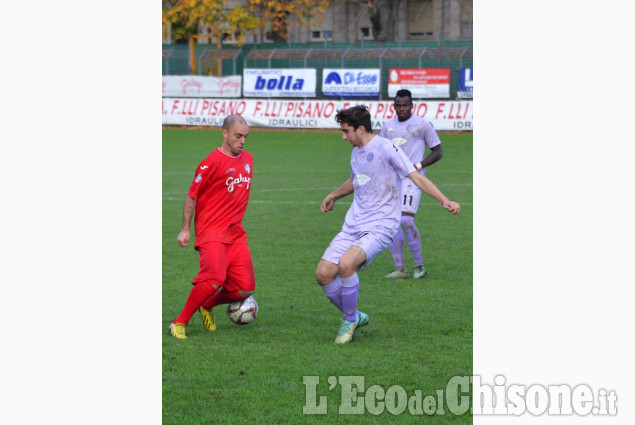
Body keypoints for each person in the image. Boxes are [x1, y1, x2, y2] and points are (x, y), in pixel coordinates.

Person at [315, 105, 460, 344]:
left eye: (345, 131)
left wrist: (444, 199)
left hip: (381, 225)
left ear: (360, 129)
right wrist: (333, 195)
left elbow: (416, 177)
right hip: (353, 224)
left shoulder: (386, 147)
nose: (343, 137)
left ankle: (350, 319)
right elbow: (356, 181)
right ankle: (356, 315)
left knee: (345, 265)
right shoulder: (356, 151)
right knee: (323, 274)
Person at [169, 114, 255, 339]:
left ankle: (206, 305)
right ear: (224, 133)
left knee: (245, 288)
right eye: (238, 136)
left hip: (235, 233)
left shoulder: (248, 159)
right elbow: (191, 196)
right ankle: (179, 323)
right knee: (214, 277)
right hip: (211, 231)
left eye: (245, 136)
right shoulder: (210, 163)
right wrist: (185, 228)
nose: (242, 141)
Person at [379, 89, 444, 279]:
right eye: (398, 105)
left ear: (411, 105)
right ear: (394, 106)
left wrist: (420, 164)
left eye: (405, 105)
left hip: (413, 178)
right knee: (392, 222)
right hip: (392, 179)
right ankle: (400, 268)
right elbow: (383, 151)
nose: (401, 109)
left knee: (406, 220)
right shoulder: (387, 126)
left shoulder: (422, 124)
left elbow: (438, 151)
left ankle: (419, 266)